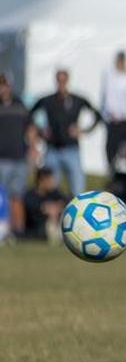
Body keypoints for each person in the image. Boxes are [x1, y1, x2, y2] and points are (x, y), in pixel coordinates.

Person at [30, 68, 103, 196]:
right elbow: (29, 114)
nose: (61, 84)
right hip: (52, 149)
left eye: (63, 81)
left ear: (68, 81)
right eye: (59, 80)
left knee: (77, 189)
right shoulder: (47, 100)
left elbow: (97, 115)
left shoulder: (77, 100)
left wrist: (83, 130)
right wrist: (40, 131)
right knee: (50, 190)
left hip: (71, 149)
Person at [0, 74, 36, 236]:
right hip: (2, 158)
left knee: (18, 195)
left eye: (4, 85)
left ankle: (18, 230)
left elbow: (30, 128)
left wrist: (33, 148)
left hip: (19, 157)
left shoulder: (19, 104)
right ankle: (3, 229)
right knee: (3, 195)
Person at [100, 50, 126, 173]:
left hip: (125, 119)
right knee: (112, 147)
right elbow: (108, 95)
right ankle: (112, 170)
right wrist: (112, 113)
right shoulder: (110, 75)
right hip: (113, 119)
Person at [22, 167, 68, 242]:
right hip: (35, 229)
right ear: (41, 180)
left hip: (53, 224)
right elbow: (33, 209)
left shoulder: (54, 193)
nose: (52, 182)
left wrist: (56, 208)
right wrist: (46, 209)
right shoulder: (30, 195)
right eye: (49, 180)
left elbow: (66, 201)